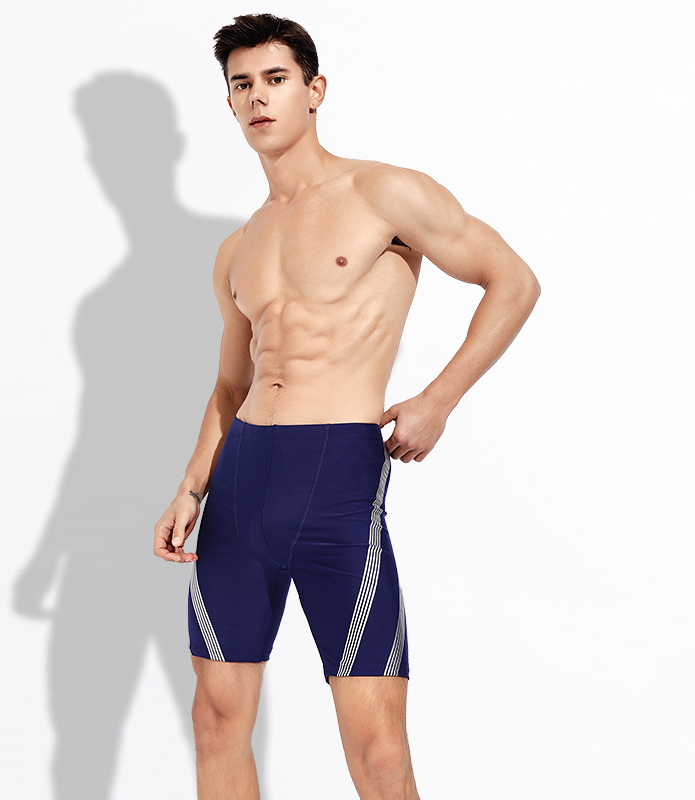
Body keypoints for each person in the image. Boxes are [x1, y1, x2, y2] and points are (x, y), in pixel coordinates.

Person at [154, 12, 540, 799]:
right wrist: (191, 488)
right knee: (217, 721)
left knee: (379, 750)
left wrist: (439, 399)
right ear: (228, 104)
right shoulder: (238, 248)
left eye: (275, 78)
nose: (258, 97)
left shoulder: (383, 192)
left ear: (314, 89)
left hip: (335, 478)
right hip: (241, 486)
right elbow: (231, 386)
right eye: (241, 85)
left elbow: (513, 281)